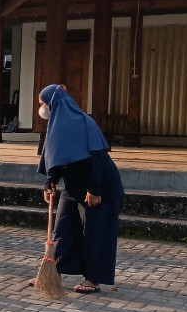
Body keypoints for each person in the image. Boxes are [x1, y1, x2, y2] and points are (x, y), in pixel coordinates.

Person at [37, 83, 124, 294]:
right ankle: (51, 272)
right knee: (63, 228)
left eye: (42, 104)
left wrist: (94, 190)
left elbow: (94, 158)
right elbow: (56, 157)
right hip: (74, 186)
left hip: (99, 185)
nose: (41, 109)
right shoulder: (56, 125)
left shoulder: (84, 122)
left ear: (53, 103)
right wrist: (49, 182)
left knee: (95, 231)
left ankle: (93, 279)